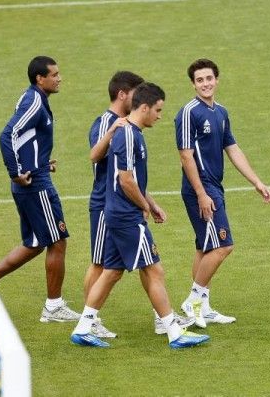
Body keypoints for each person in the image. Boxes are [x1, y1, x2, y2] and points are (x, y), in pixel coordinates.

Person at [71, 82, 209, 349]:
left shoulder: (129, 133)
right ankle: (173, 332)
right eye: (157, 110)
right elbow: (125, 180)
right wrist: (143, 207)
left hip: (116, 213)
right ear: (144, 108)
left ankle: (83, 327)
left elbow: (131, 179)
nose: (160, 115)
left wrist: (151, 203)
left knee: (111, 271)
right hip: (126, 216)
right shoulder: (129, 135)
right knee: (155, 270)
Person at [175, 59, 270, 328]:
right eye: (199, 80)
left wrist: (256, 181)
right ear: (193, 84)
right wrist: (201, 193)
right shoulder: (188, 113)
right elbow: (186, 155)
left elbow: (233, 149)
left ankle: (202, 307)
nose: (205, 84)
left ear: (216, 80)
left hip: (214, 186)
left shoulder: (221, 112)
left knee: (204, 246)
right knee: (223, 245)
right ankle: (193, 301)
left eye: (209, 78)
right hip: (202, 188)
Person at [0, 56, 80, 322]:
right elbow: (8, 135)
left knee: (33, 244)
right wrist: (16, 172)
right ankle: (53, 307)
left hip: (36, 177)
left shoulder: (32, 97)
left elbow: (27, 137)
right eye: (54, 74)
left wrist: (40, 160)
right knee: (57, 241)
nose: (59, 78)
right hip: (35, 186)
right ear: (40, 79)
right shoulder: (35, 102)